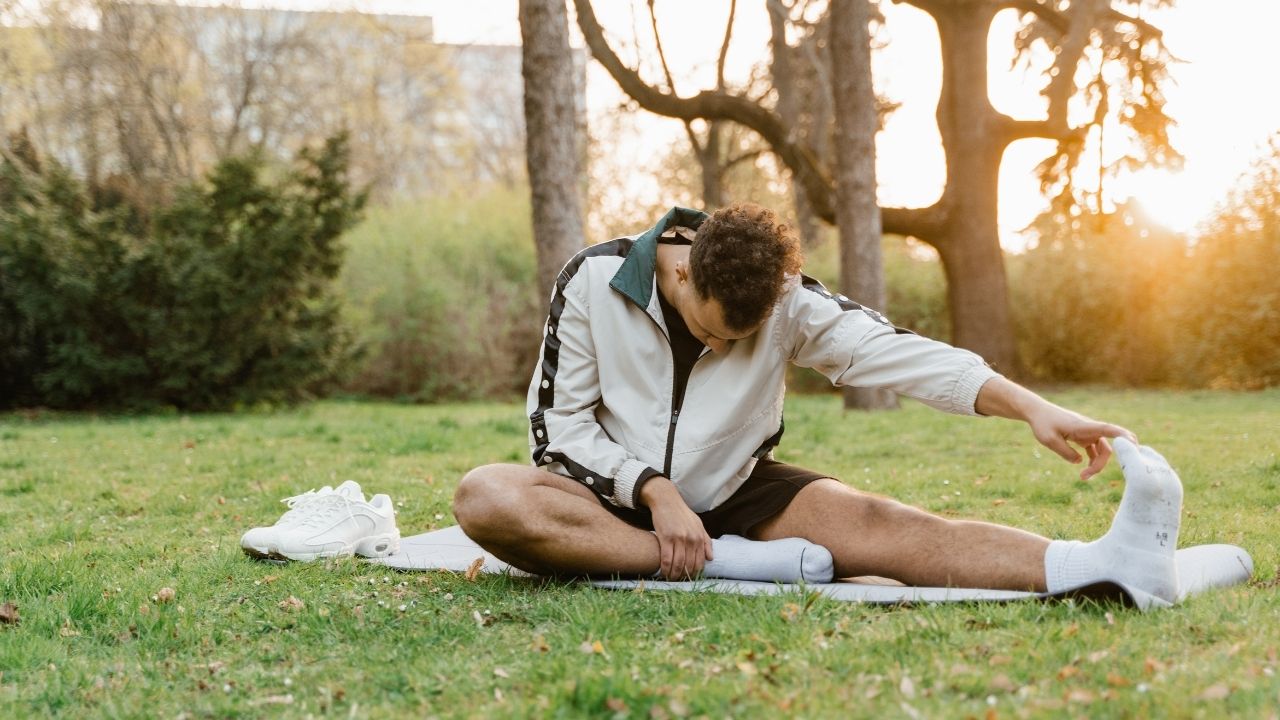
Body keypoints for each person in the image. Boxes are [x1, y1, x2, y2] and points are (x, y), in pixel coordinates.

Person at [452, 204, 1182, 606]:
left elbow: (899, 353)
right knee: (488, 497)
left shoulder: (787, 301)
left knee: (886, 524)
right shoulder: (592, 280)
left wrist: (1030, 408)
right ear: (681, 273)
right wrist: (652, 488)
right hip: (607, 504)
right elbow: (558, 431)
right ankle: (727, 566)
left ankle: (1098, 565)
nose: (719, 345)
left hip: (738, 491)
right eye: (710, 329)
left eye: (739, 339)